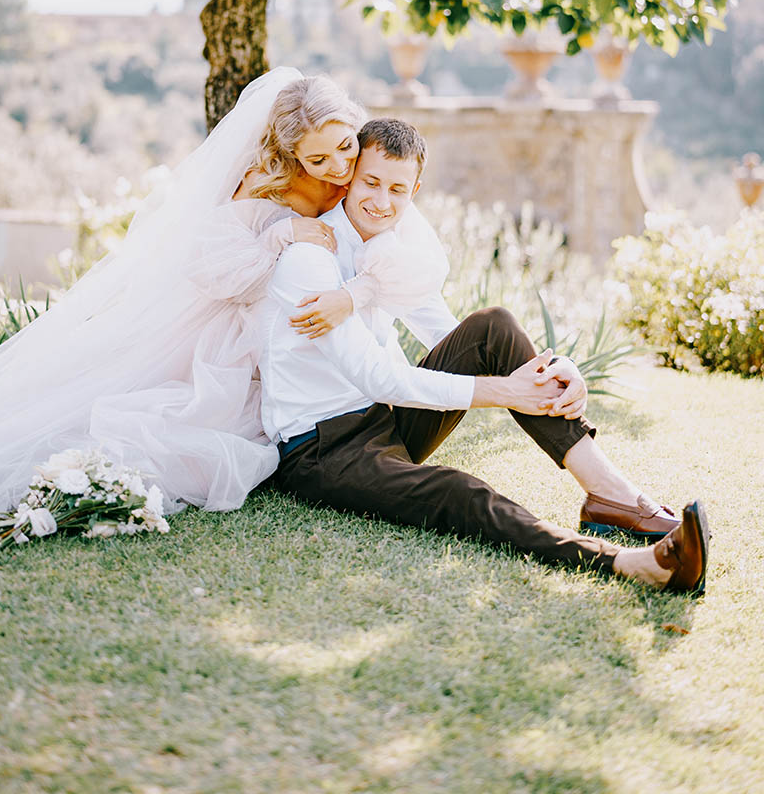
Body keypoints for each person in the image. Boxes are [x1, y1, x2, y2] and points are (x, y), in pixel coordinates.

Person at [0, 69, 446, 518]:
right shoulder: (266, 184)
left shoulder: (370, 169)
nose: (340, 168)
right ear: (293, 153)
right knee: (158, 418)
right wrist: (283, 236)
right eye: (318, 159)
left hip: (322, 324)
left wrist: (366, 295)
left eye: (344, 148)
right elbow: (218, 273)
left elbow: (406, 264)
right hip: (250, 322)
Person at [258, 118, 709, 594]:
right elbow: (377, 378)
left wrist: (553, 369)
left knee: (493, 324)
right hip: (322, 450)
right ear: (349, 177)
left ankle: (611, 495)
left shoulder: (391, 250)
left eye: (397, 189)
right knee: (457, 492)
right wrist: (502, 391)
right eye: (370, 182)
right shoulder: (310, 258)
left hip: (382, 421)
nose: (381, 202)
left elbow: (459, 338)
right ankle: (630, 563)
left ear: (415, 190)